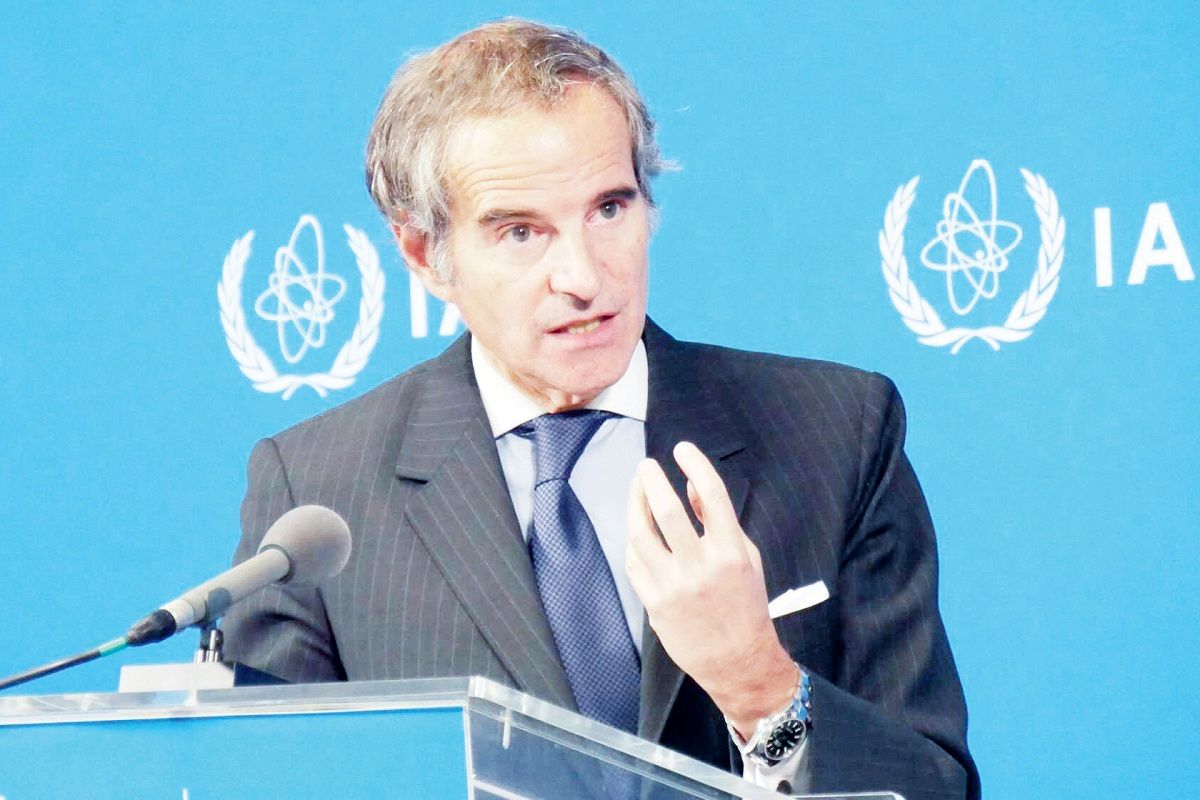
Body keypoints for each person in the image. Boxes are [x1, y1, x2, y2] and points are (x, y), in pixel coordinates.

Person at [223, 19, 979, 799]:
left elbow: (935, 789)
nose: (583, 277)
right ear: (423, 253)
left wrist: (758, 682)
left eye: (609, 209)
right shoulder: (317, 493)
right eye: (521, 232)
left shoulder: (837, 431)